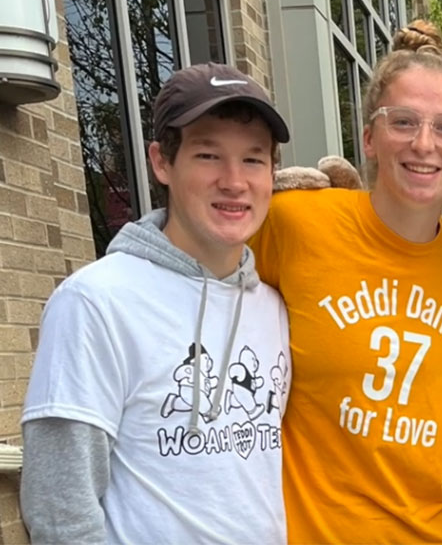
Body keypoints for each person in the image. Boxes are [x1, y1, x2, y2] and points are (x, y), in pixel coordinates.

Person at [20, 63, 292, 543]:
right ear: (162, 162)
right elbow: (60, 510)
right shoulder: (96, 303)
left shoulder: (272, 306)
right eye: (208, 155)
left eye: (253, 160)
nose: (234, 181)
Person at [249, 20, 442, 544]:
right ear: (370, 137)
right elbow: (198, 284)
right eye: (402, 122)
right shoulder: (296, 223)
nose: (424, 144)